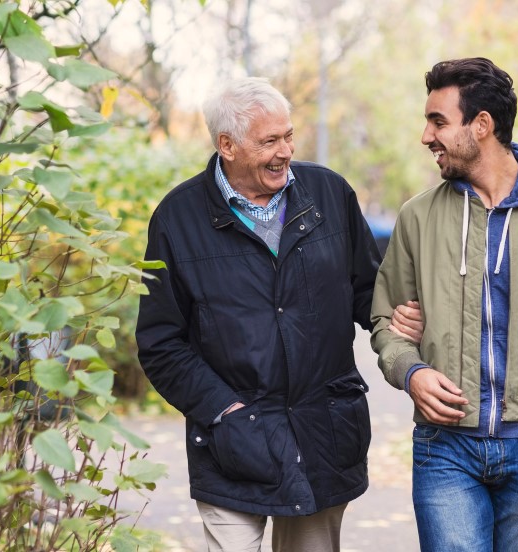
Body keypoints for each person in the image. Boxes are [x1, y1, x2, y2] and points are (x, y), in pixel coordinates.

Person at [135, 77, 420, 552]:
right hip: (230, 442)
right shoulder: (176, 219)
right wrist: (224, 411)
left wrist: (396, 320)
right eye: (269, 141)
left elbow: (368, 289)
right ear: (226, 145)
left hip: (322, 433)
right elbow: (161, 343)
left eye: (288, 135)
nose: (285, 151)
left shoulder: (329, 194)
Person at [371, 58, 518, 552]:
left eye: (438, 121)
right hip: (445, 447)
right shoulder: (417, 218)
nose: (426, 136)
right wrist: (410, 370)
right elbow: (385, 320)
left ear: (482, 125)